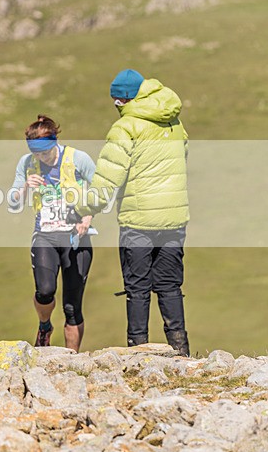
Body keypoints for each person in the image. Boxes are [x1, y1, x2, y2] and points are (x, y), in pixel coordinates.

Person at [70, 69, 190, 356]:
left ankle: (139, 353)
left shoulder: (125, 129)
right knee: (170, 285)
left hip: (138, 221)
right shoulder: (173, 120)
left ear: (123, 100)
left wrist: (80, 207)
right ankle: (181, 352)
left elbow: (107, 182)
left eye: (116, 101)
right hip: (174, 219)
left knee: (137, 288)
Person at [9, 115, 96, 352]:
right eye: (37, 154)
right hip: (45, 236)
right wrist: (26, 186)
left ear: (54, 143)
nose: (41, 158)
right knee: (45, 291)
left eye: (45, 153)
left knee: (72, 306)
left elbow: (102, 190)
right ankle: (44, 325)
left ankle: (71, 360)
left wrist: (87, 217)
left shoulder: (78, 159)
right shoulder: (27, 163)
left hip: (76, 238)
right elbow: (13, 203)